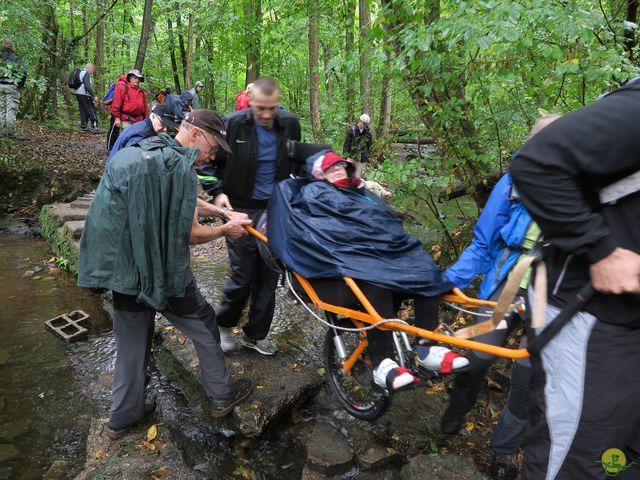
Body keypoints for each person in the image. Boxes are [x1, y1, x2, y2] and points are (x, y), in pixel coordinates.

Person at [78, 109, 254, 439]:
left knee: (132, 342)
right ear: (197, 134)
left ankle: (123, 416)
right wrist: (225, 230)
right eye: (213, 147)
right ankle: (222, 396)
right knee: (203, 322)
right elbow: (191, 235)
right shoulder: (182, 166)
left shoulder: (152, 150)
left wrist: (219, 209)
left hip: (124, 270)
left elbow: (180, 199)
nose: (212, 156)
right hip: (159, 268)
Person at [511, 82, 640, 479]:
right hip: (590, 313)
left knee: (619, 460)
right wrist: (601, 250)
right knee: (578, 460)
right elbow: (535, 166)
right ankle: (502, 450)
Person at [267, 150, 469, 390]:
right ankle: (382, 364)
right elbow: (314, 232)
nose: (337, 170)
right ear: (319, 175)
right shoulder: (313, 193)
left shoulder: (363, 194)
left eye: (340, 166)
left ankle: (428, 348)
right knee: (377, 281)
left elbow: (387, 224)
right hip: (344, 265)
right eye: (330, 169)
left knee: (426, 273)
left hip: (381, 256)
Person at [441, 115, 560, 480]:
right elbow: (483, 242)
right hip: (509, 282)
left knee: (528, 374)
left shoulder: (586, 186)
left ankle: (505, 449)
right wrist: (446, 280)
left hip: (551, 292)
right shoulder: (512, 183)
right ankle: (458, 407)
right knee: (479, 356)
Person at [206, 76, 301, 356]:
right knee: (243, 273)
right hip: (239, 208)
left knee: (269, 273)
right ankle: (224, 325)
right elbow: (206, 163)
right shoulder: (233, 123)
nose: (267, 115)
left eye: (272, 108)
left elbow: (298, 161)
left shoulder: (290, 124)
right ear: (250, 102)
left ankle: (255, 334)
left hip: (274, 209)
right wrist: (217, 193)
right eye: (260, 108)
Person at [105, 104, 180, 168]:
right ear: (153, 116)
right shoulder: (142, 133)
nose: (165, 129)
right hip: (115, 172)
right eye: (162, 124)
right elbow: (130, 161)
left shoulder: (146, 126)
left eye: (168, 126)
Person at [0, 38, 26, 138]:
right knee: (11, 108)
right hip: (11, 86)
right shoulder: (15, 57)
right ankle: (10, 132)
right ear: (12, 46)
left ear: (3, 45)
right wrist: (20, 84)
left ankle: (2, 130)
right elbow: (23, 72)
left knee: (1, 108)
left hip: (0, 86)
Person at [73, 64, 103, 133]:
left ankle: (83, 126)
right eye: (92, 68)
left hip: (78, 93)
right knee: (91, 109)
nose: (93, 70)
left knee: (83, 109)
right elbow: (88, 86)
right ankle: (95, 126)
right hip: (84, 94)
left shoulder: (80, 73)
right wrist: (93, 96)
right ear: (89, 68)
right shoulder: (86, 73)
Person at [343, 113, 373, 177]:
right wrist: (344, 156)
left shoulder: (368, 133)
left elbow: (369, 146)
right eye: (364, 124)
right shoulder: (352, 131)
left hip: (362, 159)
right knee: (348, 176)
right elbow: (347, 144)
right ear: (360, 121)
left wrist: (368, 156)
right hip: (351, 157)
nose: (365, 126)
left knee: (358, 178)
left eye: (366, 124)